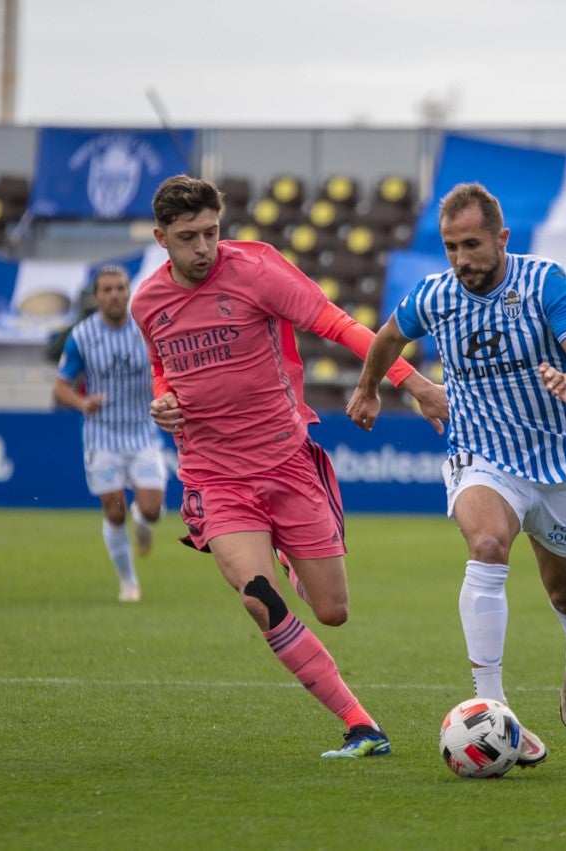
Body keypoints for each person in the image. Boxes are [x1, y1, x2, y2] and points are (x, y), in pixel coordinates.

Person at [130, 174, 447, 760]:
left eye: (211, 233)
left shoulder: (257, 270)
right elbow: (162, 366)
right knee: (259, 599)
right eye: (188, 237)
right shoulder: (147, 302)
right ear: (160, 238)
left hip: (285, 459)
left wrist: (414, 384)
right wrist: (163, 399)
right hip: (213, 474)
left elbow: (338, 323)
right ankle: (361, 725)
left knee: (333, 612)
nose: (203, 248)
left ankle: (285, 553)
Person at [346, 182, 566, 769]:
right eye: (450, 247)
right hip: (480, 455)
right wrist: (370, 389)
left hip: (560, 465)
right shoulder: (436, 295)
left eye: (472, 245)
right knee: (487, 543)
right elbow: (387, 337)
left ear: (501, 238)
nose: (461, 260)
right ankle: (494, 709)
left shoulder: (544, 281)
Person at [54, 265, 167, 603]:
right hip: (102, 436)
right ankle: (129, 583)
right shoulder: (82, 336)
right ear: (96, 296)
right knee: (114, 511)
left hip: (142, 432)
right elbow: (60, 387)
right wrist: (82, 402)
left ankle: (143, 523)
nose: (115, 294)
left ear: (129, 291)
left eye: (120, 288)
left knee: (151, 509)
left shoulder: (146, 329)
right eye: (107, 289)